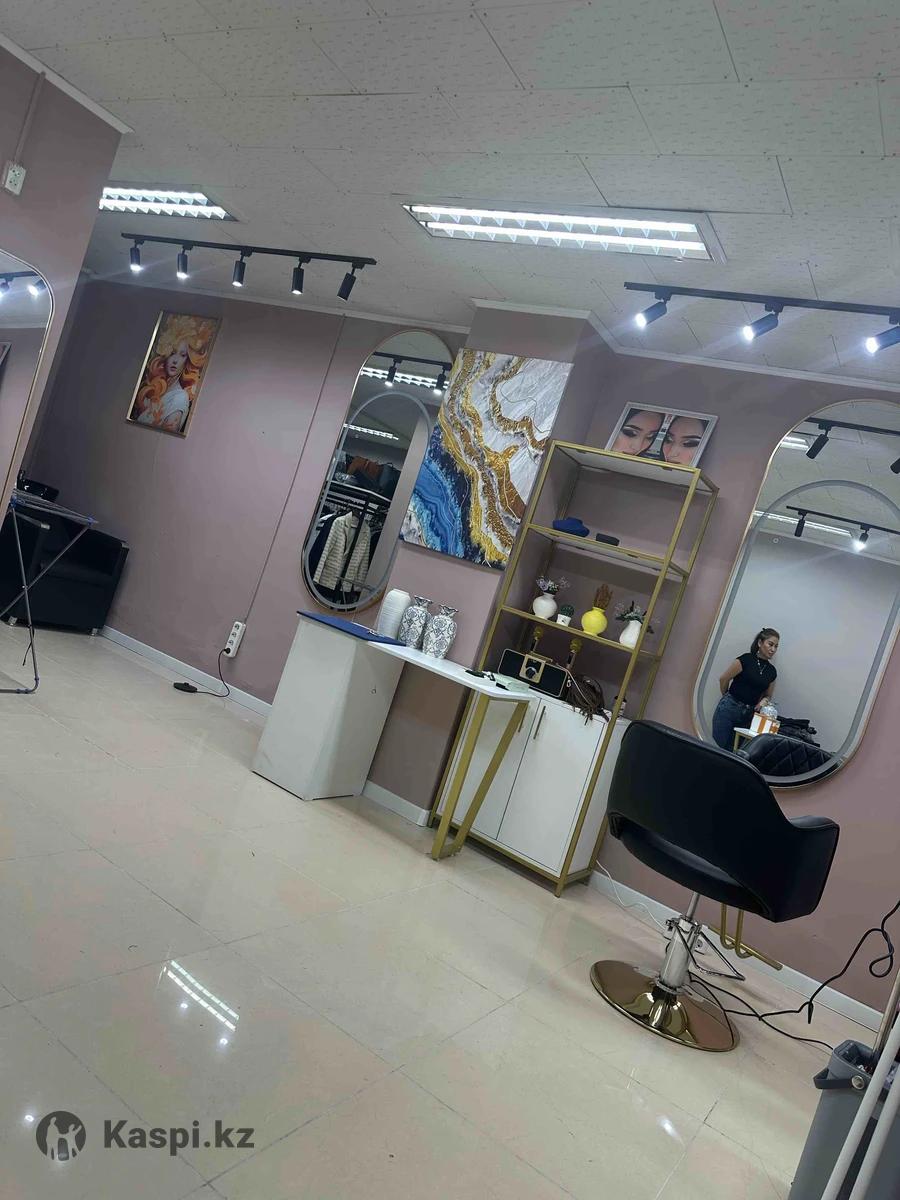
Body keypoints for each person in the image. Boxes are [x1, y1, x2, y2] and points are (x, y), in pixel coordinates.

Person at [131, 315, 215, 434]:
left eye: (182, 355)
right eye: (172, 353)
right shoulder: (155, 391)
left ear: (188, 360)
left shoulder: (180, 398)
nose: (175, 360)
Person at [712, 627, 779, 750]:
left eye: (776, 646)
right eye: (770, 644)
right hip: (729, 707)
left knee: (734, 751)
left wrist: (764, 701)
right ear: (760, 643)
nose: (773, 649)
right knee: (717, 747)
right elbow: (724, 679)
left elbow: (768, 695)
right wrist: (726, 696)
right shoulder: (746, 659)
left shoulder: (772, 671)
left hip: (749, 714)